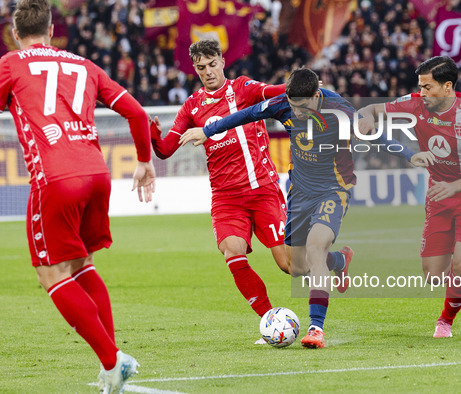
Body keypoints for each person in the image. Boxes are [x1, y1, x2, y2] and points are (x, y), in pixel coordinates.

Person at [178, 68, 432, 348]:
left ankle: (316, 328)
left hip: (334, 189)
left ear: (316, 94)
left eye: (303, 106)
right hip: (299, 191)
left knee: (315, 248)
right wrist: (207, 129)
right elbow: (245, 114)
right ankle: (339, 261)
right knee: (296, 267)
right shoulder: (283, 103)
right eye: (293, 105)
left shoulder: (339, 108)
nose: (297, 112)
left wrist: (409, 154)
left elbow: (376, 135)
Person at [0, 1, 156, 392]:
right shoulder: (84, 65)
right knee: (82, 262)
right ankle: (112, 365)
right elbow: (137, 113)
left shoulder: (11, 64)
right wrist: (144, 162)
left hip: (55, 177)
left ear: (15, 35)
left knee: (50, 272)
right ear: (52, 30)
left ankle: (112, 361)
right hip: (96, 172)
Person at [149, 40, 296, 342]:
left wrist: (301, 83)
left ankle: (335, 259)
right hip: (227, 198)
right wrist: (150, 133)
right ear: (195, 69)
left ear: (222, 61)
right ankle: (271, 321)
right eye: (201, 67)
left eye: (212, 64)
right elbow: (165, 150)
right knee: (233, 253)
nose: (208, 72)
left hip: (262, 189)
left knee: (289, 265)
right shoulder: (192, 107)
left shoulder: (243, 88)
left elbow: (274, 91)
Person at [358, 56, 461, 339]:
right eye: (420, 86)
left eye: (428, 87)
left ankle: (444, 322)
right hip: (438, 194)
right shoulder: (414, 104)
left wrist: (457, 186)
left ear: (448, 87)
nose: (421, 93)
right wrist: (366, 119)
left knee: (458, 265)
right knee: (434, 275)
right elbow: (370, 108)